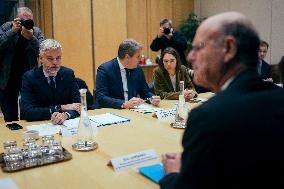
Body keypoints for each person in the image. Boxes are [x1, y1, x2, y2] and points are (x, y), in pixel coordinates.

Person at [160, 12, 284, 189]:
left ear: (229, 48)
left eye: (199, 47)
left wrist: (172, 173)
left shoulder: (208, 118)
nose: (190, 57)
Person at [20, 39, 80, 125]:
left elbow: (78, 105)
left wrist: (66, 115)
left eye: (58, 58)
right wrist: (60, 108)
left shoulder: (68, 74)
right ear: (41, 58)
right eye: (50, 59)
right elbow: (28, 112)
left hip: (65, 124)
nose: (55, 62)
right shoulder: (29, 77)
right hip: (39, 125)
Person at [0, 7, 45, 122]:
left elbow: (43, 52)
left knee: (28, 113)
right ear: (16, 18)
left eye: (28, 20)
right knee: (9, 115)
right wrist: (12, 31)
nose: (25, 23)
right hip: (7, 77)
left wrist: (31, 38)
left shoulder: (36, 31)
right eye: (22, 20)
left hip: (29, 78)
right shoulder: (7, 27)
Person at [95, 39, 160, 109]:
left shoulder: (137, 69)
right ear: (127, 57)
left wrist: (152, 98)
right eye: (138, 57)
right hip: (112, 111)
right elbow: (101, 98)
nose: (140, 59)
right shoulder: (105, 70)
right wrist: (123, 104)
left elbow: (145, 92)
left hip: (133, 111)